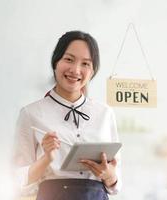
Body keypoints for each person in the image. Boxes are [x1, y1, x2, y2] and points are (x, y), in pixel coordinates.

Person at [12, 30, 121, 200]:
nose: (76, 70)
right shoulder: (30, 114)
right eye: (69, 59)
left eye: (86, 64)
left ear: (92, 71)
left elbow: (116, 182)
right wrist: (46, 159)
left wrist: (109, 175)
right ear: (55, 62)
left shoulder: (104, 113)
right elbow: (17, 180)